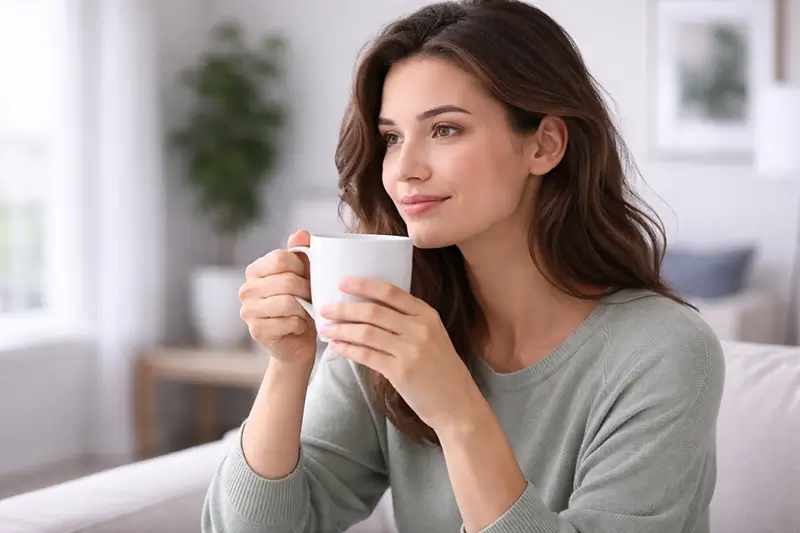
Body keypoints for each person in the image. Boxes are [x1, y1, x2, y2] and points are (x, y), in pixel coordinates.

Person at [201, 1, 725, 532]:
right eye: (391, 138)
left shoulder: (665, 352)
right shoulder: (390, 321)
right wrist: (289, 366)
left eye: (445, 129)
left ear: (544, 145)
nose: (404, 170)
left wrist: (457, 412)